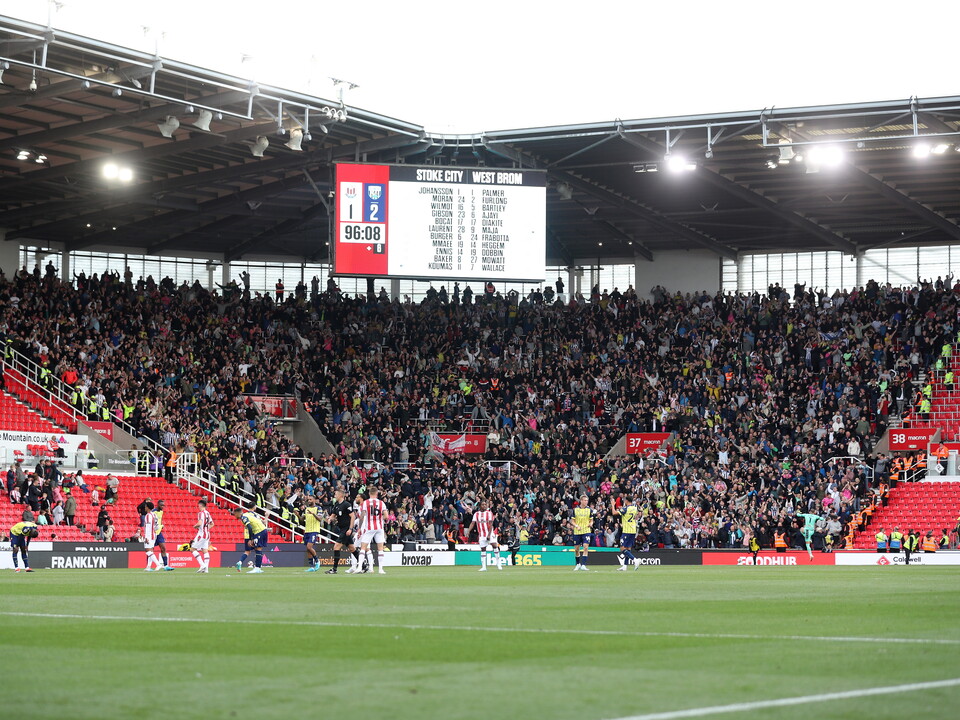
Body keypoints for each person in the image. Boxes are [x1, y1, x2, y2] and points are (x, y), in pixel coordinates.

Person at [355, 485, 388, 575]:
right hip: (379, 527)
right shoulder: (381, 503)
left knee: (363, 548)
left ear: (369, 493)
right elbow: (386, 516)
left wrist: (359, 528)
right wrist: (381, 519)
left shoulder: (366, 503)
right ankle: (381, 569)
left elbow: (362, 516)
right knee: (380, 548)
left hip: (369, 527)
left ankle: (359, 567)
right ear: (377, 493)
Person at [326, 486, 357, 575]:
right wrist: (329, 519)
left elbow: (353, 516)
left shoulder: (346, 505)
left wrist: (350, 529)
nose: (334, 495)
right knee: (352, 548)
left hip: (346, 529)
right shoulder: (336, 505)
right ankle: (363, 566)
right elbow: (333, 515)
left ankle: (334, 569)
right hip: (341, 529)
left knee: (336, 547)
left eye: (336, 494)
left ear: (340, 495)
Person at [467, 499, 502, 571]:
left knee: (494, 545)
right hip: (481, 534)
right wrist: (468, 531)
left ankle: (498, 564)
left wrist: (489, 534)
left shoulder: (489, 513)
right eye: (483, 504)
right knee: (483, 549)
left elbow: (491, 524)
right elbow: (473, 523)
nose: (484, 506)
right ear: (480, 506)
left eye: (485, 504)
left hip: (489, 532)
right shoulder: (476, 514)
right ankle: (484, 567)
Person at [233, 506, 268, 573]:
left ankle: (257, 568)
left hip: (259, 531)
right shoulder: (247, 515)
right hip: (263, 530)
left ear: (237, 513)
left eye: (235, 514)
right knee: (258, 549)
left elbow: (250, 527)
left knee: (257, 549)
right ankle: (258, 568)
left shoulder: (243, 517)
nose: (234, 516)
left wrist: (250, 539)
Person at [613, 495, 639, 570]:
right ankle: (625, 566)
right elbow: (635, 516)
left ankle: (635, 560)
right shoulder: (634, 508)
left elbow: (614, 513)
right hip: (633, 530)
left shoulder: (625, 509)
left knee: (622, 548)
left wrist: (612, 504)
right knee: (628, 548)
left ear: (627, 501)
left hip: (626, 530)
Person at [568, 495, 593, 571]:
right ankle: (578, 564)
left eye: (587, 500)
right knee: (576, 549)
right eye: (585, 500)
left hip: (586, 531)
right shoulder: (575, 510)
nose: (586, 502)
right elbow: (572, 520)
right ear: (581, 501)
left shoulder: (589, 510)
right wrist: (576, 525)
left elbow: (591, 520)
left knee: (585, 547)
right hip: (577, 531)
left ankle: (583, 565)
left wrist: (591, 523)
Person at [190, 498, 213, 573]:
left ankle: (202, 565)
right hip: (207, 534)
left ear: (200, 505)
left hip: (201, 534)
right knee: (205, 550)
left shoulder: (201, 513)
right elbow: (212, 524)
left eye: (198, 505)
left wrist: (195, 526)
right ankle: (206, 569)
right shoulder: (207, 513)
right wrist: (206, 528)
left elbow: (199, 523)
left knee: (192, 549)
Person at [302, 495, 323, 572]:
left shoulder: (318, 508)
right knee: (308, 550)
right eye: (308, 499)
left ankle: (317, 561)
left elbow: (320, 519)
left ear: (314, 500)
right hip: (307, 530)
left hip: (314, 530)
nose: (309, 501)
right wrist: (297, 515)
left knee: (309, 547)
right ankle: (311, 566)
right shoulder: (306, 509)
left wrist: (313, 514)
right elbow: (302, 519)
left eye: (310, 499)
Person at [142, 501, 162, 571]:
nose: (144, 508)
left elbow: (148, 526)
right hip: (154, 534)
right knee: (150, 551)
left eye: (145, 506)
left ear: (147, 507)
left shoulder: (148, 515)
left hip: (149, 535)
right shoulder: (154, 515)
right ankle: (148, 566)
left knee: (148, 551)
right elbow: (157, 526)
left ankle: (158, 564)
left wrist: (146, 537)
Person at [153, 500, 173, 570]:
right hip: (153, 533)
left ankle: (166, 565)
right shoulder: (153, 512)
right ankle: (148, 566)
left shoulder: (161, 512)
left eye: (163, 505)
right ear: (158, 504)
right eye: (161, 505)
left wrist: (161, 525)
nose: (162, 507)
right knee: (150, 550)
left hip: (159, 533)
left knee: (163, 548)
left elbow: (160, 520)